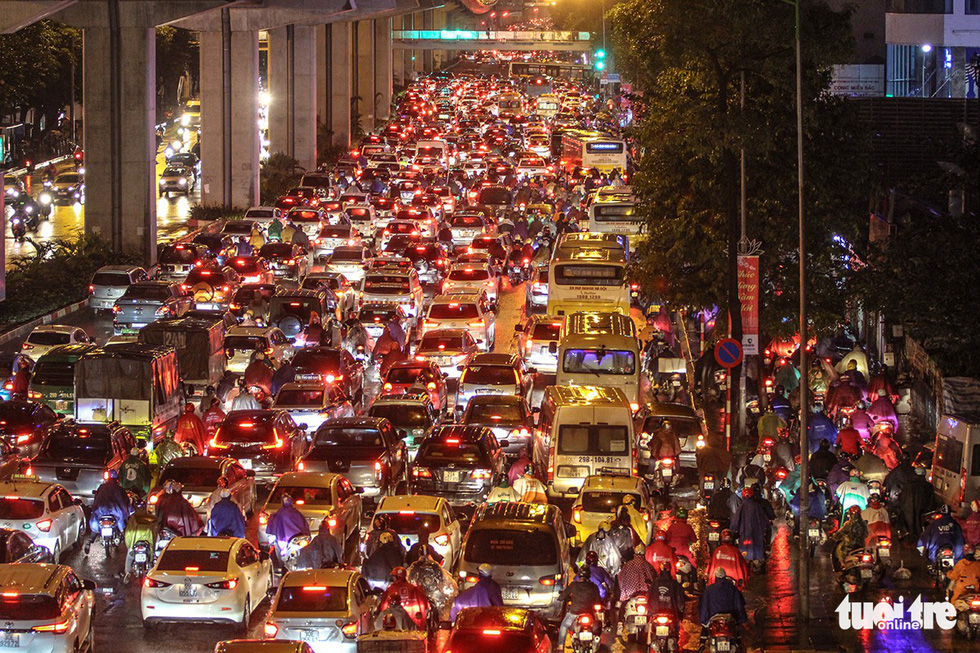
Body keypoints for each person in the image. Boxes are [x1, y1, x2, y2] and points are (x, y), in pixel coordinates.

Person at [84, 470, 132, 554]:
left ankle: (89, 541)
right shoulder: (120, 489)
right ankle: (130, 545)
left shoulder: (101, 487)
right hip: (116, 512)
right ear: (117, 479)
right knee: (123, 527)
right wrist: (130, 511)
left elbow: (96, 499)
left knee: (95, 525)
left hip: (100, 511)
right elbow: (126, 502)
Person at [557, 566, 602, 648]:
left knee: (564, 625)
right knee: (598, 624)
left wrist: (562, 597)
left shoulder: (574, 585)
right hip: (589, 613)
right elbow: (598, 600)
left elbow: (562, 596)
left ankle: (560, 646)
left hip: (574, 612)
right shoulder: (594, 586)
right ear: (589, 575)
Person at [731, 486, 774, 565]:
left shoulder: (741, 508)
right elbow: (766, 522)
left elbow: (735, 522)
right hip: (757, 538)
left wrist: (733, 531)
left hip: (744, 537)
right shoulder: (757, 507)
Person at [698, 568, 748, 633]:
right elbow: (739, 604)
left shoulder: (709, 590)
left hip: (714, 618)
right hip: (730, 618)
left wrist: (704, 620)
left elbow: (704, 605)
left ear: (716, 577)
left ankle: (702, 642)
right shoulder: (732, 588)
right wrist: (742, 619)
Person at [899, 466, 938, 541]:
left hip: (910, 516)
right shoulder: (928, 486)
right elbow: (931, 502)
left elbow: (902, 501)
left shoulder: (908, 486)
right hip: (923, 515)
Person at [947, 544, 980, 630]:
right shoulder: (977, 565)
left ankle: (951, 616)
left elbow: (953, 576)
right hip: (975, 590)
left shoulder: (961, 564)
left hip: (961, 590)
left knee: (953, 600)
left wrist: (948, 573)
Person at [123, 507, 157, 581]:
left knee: (129, 557)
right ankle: (152, 575)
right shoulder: (151, 519)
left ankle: (127, 572)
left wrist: (129, 546)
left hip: (135, 543)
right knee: (152, 559)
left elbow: (128, 534)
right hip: (148, 544)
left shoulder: (133, 520)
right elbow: (155, 535)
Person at [832, 506, 869, 572]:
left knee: (839, 551)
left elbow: (840, 533)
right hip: (861, 546)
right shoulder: (864, 523)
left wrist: (834, 535)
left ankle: (842, 565)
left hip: (849, 546)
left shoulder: (848, 524)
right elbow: (866, 534)